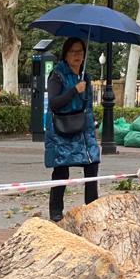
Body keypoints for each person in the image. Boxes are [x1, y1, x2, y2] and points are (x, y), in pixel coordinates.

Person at [44, 37, 100, 223]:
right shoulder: (57, 75)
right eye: (73, 52)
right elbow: (54, 103)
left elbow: (88, 105)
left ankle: (92, 209)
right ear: (65, 55)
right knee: (61, 170)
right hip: (61, 127)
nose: (77, 56)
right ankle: (56, 212)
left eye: (80, 52)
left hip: (83, 128)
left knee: (92, 165)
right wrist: (74, 90)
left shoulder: (86, 76)